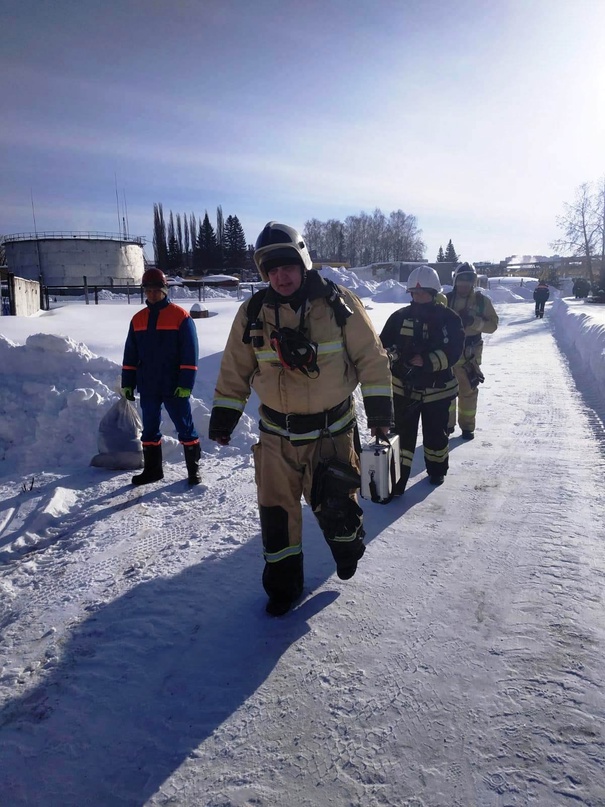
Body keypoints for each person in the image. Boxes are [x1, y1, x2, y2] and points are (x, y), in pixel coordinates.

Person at [208, 221, 393, 616]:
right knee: (276, 518)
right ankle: (282, 588)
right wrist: (224, 416)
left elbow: (371, 359)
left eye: (287, 266)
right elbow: (235, 368)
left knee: (338, 513)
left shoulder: (338, 303)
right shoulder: (253, 312)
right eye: (272, 269)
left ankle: (348, 546)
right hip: (276, 437)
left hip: (332, 433)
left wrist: (379, 413)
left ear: (303, 262)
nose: (281, 275)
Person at [380, 265, 464, 493]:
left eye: (423, 293)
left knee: (436, 435)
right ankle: (397, 481)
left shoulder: (449, 319)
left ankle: (437, 471)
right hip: (403, 390)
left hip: (438, 391)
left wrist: (426, 361)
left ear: (434, 293)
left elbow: (455, 350)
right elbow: (382, 345)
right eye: (414, 294)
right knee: (402, 439)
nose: (418, 297)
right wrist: (390, 355)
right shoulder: (399, 318)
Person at [121, 268, 201, 486]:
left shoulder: (180, 316)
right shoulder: (138, 319)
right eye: (148, 290)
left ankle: (193, 470)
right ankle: (153, 470)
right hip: (148, 384)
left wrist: (186, 383)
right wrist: (127, 382)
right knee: (149, 428)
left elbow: (190, 352)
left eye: (156, 290)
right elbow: (130, 353)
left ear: (165, 290)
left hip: (174, 385)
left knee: (184, 427)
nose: (152, 294)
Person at [445, 262, 499, 440]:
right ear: (456, 281)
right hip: (447, 353)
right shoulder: (446, 300)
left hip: (470, 355)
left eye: (468, 281)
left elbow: (493, 325)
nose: (464, 285)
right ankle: (447, 425)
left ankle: (467, 427)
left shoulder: (482, 302)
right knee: (446, 392)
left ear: (473, 282)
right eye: (461, 280)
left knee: (468, 392)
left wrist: (474, 322)